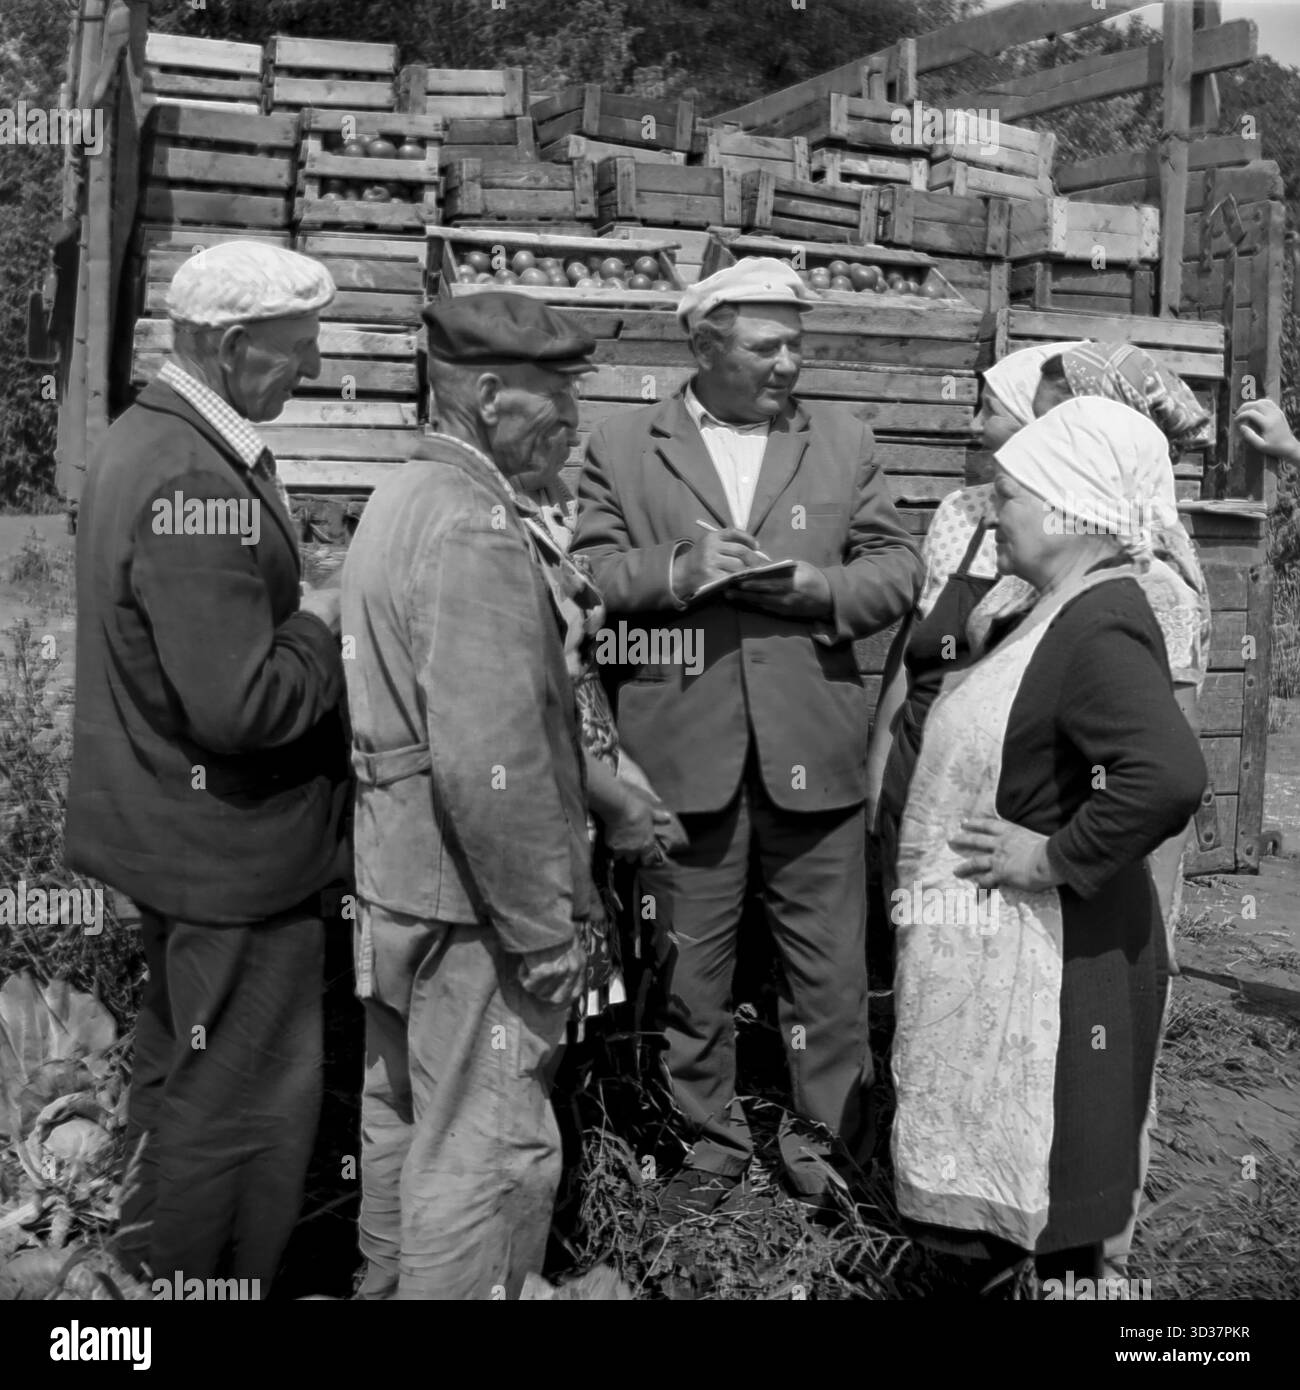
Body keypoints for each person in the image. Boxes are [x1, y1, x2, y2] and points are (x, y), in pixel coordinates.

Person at [572, 257, 923, 1213]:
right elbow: (588, 577)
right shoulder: (623, 443)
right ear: (702, 345)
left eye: (797, 345)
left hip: (818, 748)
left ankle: (827, 1154)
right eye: (766, 345)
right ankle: (704, 1147)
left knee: (831, 975)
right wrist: (679, 568)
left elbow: (898, 566)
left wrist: (825, 592)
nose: (788, 364)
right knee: (690, 972)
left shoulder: (843, 440)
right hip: (683, 753)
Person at [66, 242, 349, 1292]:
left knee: (184, 1073)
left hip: (179, 839)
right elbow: (244, 706)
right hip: (232, 854)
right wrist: (321, 620)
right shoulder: (194, 473)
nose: (310, 369)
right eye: (294, 351)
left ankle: (146, 1283)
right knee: (244, 1105)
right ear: (230, 349)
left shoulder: (152, 439)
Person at [890, 397, 1207, 1289]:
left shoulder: (1098, 623)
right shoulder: (1048, 607)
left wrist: (1049, 857)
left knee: (1043, 1218)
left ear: (1070, 509)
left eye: (1011, 495)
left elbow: (1168, 774)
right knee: (1017, 1233)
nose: (996, 511)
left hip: (1058, 974)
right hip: (1008, 964)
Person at [340, 292, 600, 1300]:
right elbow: (488, 766)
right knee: (487, 1151)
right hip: (469, 903)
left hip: (402, 879)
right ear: (489, 395)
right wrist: (542, 928)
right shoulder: (474, 525)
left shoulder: (401, 493)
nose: (573, 418)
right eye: (557, 393)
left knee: (406, 1119)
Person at [867, 341, 1212, 927]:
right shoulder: (1017, 564)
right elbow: (921, 663)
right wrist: (886, 779)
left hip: (1049, 901)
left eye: (1059, 425)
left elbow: (1167, 768)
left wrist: (1052, 861)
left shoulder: (1136, 592)